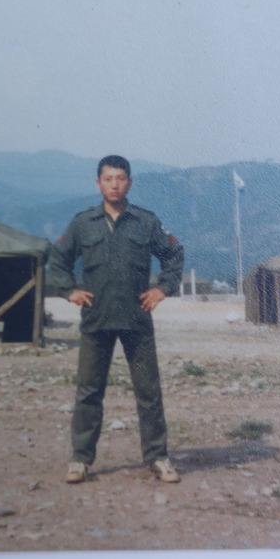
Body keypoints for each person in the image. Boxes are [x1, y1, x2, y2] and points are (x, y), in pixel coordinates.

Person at [48, 155, 185, 484]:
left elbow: (173, 253)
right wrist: (69, 291)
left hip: (136, 318)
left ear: (129, 183)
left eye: (120, 178)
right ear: (98, 183)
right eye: (108, 179)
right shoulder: (83, 223)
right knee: (89, 392)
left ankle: (158, 457)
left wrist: (162, 289)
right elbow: (59, 258)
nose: (114, 185)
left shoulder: (145, 222)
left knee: (149, 392)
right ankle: (80, 459)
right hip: (97, 318)